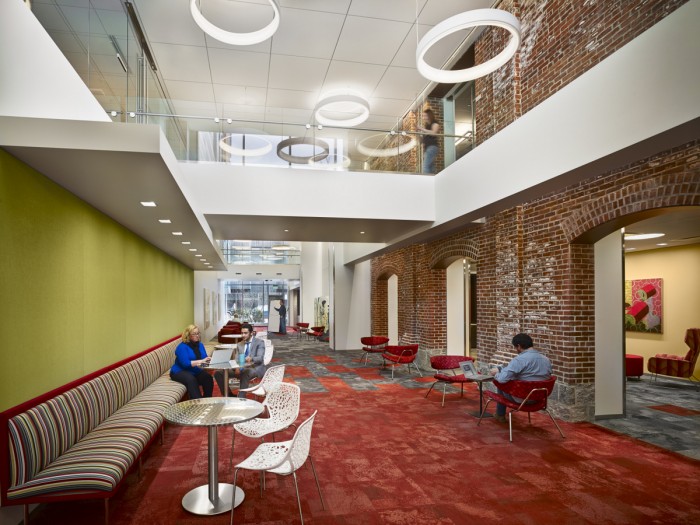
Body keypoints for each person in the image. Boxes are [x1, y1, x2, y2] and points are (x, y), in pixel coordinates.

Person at [489, 333, 552, 423]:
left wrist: (497, 373)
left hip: (521, 399)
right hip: (539, 399)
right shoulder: (546, 359)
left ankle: (500, 414)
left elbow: (502, 379)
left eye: (515, 347)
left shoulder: (519, 360)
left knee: (500, 382)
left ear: (518, 346)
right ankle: (500, 414)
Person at [214, 322, 266, 398]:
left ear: (251, 333)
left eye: (245, 333)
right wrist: (237, 368)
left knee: (245, 372)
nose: (243, 335)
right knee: (218, 373)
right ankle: (229, 395)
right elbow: (236, 359)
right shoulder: (239, 344)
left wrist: (251, 358)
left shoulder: (259, 342)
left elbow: (260, 358)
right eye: (242, 333)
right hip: (241, 368)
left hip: (255, 368)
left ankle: (241, 398)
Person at [170, 324, 213, 399]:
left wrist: (209, 361)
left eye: (198, 333)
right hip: (180, 371)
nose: (197, 335)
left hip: (194, 370)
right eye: (194, 334)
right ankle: (198, 403)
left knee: (208, 377)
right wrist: (201, 361)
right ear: (188, 335)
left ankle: (207, 400)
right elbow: (186, 364)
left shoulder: (200, 345)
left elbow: (204, 358)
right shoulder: (182, 347)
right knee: (191, 380)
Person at [419, 108, 440, 174]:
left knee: (425, 166)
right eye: (423, 116)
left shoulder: (435, 123)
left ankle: (427, 179)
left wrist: (422, 129)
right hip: (427, 148)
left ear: (429, 115)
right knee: (431, 167)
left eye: (425, 115)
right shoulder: (426, 126)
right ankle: (434, 177)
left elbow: (434, 133)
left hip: (432, 147)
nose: (424, 117)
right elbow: (422, 141)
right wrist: (418, 133)